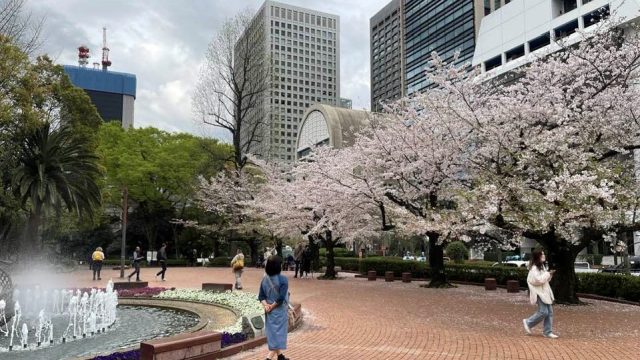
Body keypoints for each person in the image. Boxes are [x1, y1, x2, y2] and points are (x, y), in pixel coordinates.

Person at [523, 249, 559, 338]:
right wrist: (547, 274)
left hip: (544, 292)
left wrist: (549, 275)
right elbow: (537, 280)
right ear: (537, 256)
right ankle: (528, 322)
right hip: (539, 292)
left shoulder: (541, 266)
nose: (544, 256)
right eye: (542, 254)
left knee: (549, 312)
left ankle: (547, 332)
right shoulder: (534, 268)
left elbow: (544, 280)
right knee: (543, 311)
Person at [259, 256, 290, 360]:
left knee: (273, 335)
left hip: (269, 313)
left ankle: (280, 357)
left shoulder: (264, 279)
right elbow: (281, 298)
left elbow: (261, 296)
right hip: (279, 312)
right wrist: (271, 306)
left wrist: (266, 306)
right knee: (278, 336)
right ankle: (268, 358)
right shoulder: (283, 279)